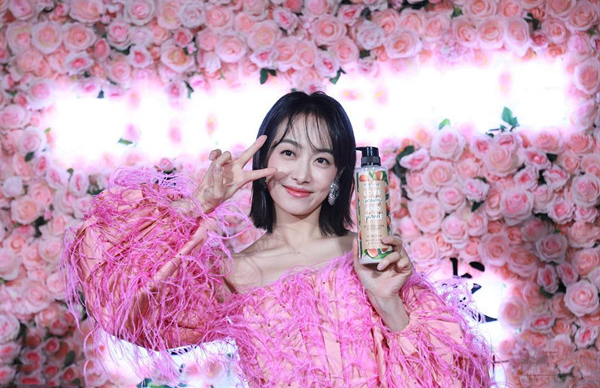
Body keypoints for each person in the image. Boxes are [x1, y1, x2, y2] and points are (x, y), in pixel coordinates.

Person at [64, 92, 493, 387]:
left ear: (339, 176)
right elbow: (124, 300)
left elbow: (456, 375)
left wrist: (388, 303)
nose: (302, 175)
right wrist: (200, 202)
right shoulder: (234, 273)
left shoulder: (370, 257)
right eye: (289, 153)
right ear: (264, 159)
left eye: (321, 159)